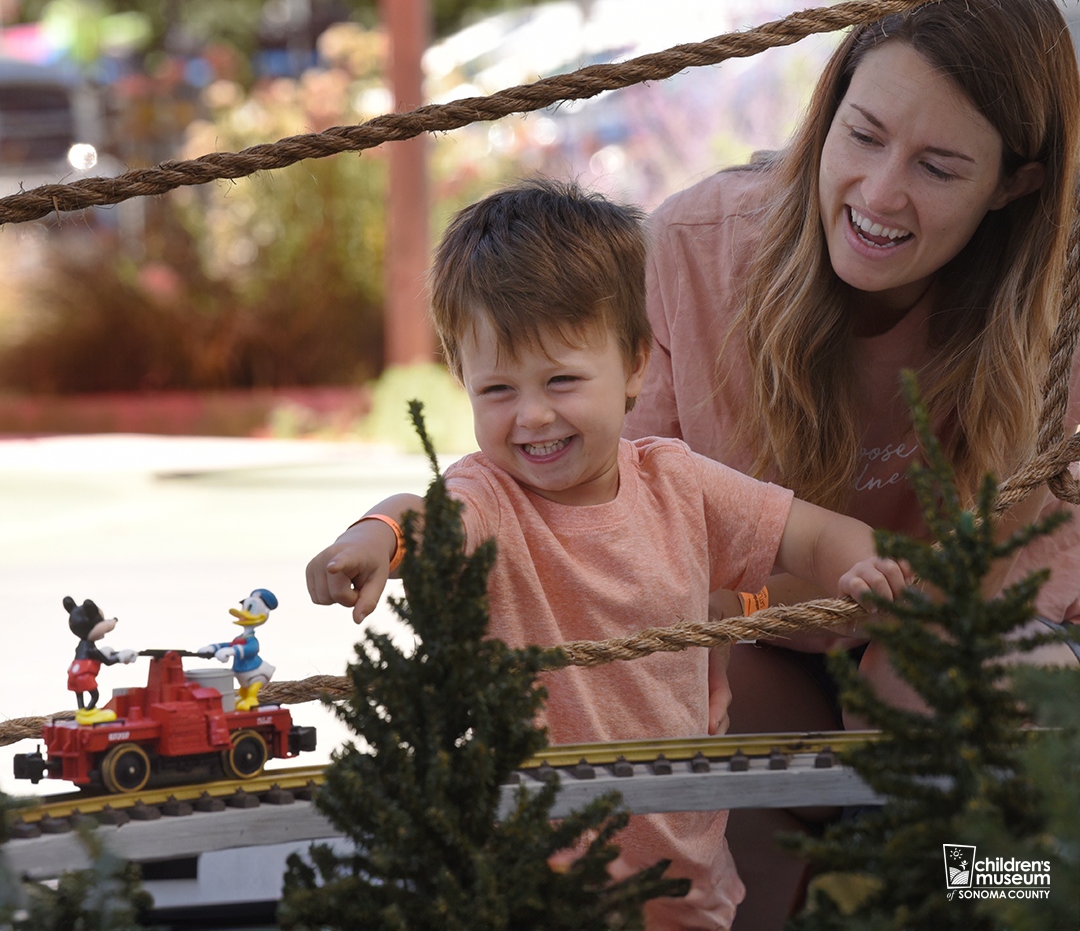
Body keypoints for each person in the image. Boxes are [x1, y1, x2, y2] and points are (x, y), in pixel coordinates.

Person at [306, 180, 910, 931]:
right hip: (534, 873)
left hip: (682, 874)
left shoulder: (677, 483)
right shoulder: (489, 497)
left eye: (561, 380)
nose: (531, 415)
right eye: (497, 388)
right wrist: (372, 539)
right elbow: (424, 516)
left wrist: (862, 568)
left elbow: (813, 534)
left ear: (633, 366)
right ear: (462, 382)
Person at [621, 0, 1080, 928]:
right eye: (863, 136)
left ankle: (989, 900)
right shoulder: (694, 252)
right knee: (665, 717)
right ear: (824, 115)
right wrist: (780, 604)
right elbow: (629, 531)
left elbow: (1042, 568)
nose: (879, 194)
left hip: (945, 644)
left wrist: (897, 656)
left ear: (1015, 184)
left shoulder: (1056, 312)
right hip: (753, 640)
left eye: (940, 167)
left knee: (976, 726)